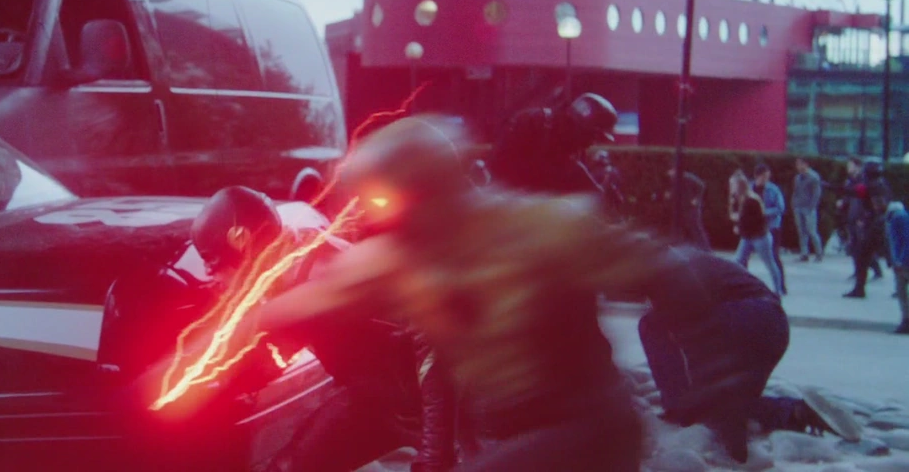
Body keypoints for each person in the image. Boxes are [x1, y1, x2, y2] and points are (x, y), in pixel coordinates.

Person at [255, 115, 709, 472]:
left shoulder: (540, 226)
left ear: (438, 190)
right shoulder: (398, 257)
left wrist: (710, 361)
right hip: (504, 426)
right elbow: (301, 304)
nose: (404, 229)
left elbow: (660, 267)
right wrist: (242, 317)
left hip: (585, 424)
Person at [188, 186, 457, 472]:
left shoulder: (324, 271)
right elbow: (274, 352)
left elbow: (432, 345)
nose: (213, 277)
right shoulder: (284, 274)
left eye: (214, 263)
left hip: (435, 406)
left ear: (241, 241)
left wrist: (435, 451)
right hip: (371, 400)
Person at [636, 246, 862, 462]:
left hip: (743, 320)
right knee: (735, 404)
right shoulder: (683, 258)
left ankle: (679, 405)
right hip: (774, 324)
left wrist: (690, 407)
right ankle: (798, 412)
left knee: (651, 326)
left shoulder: (669, 278)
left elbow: (700, 341)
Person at [487, 92, 618, 195]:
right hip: (511, 206)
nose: (592, 142)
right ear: (581, 128)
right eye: (593, 135)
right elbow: (498, 170)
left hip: (545, 212)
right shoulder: (532, 124)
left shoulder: (573, 147)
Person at [730, 170, 785, 296]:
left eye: (733, 185)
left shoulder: (751, 199)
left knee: (769, 263)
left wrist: (739, 221)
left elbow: (756, 219)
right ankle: (742, 287)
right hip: (748, 236)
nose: (731, 188)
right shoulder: (741, 198)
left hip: (760, 236)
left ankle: (778, 290)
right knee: (738, 261)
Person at [846, 159, 890, 298]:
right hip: (878, 225)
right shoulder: (881, 184)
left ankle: (860, 288)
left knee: (863, 256)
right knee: (864, 256)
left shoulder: (871, 186)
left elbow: (854, 192)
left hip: (874, 226)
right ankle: (859, 288)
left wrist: (830, 186)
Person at [753, 164, 789, 295]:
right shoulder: (750, 188)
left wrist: (764, 212)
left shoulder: (773, 189)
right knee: (742, 256)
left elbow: (780, 208)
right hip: (754, 227)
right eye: (763, 177)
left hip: (772, 226)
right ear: (757, 176)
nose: (766, 179)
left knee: (774, 255)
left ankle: (781, 286)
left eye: (767, 177)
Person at [665, 166, 712, 250]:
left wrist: (696, 198)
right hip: (683, 207)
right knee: (684, 226)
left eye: (671, 172)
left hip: (692, 206)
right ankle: (683, 245)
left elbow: (701, 185)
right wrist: (670, 194)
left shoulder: (686, 177)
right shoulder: (674, 180)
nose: (670, 175)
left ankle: (705, 248)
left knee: (695, 226)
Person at [792, 158, 824, 262]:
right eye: (797, 165)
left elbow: (816, 194)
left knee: (812, 231)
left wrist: (812, 207)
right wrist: (794, 204)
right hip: (798, 207)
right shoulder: (797, 178)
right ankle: (804, 253)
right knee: (802, 232)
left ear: (806, 164)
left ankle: (819, 253)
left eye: (800, 164)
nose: (798, 167)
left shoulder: (813, 177)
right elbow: (795, 192)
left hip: (808, 208)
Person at [886, 201, 909, 335]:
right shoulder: (904, 216)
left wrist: (899, 260)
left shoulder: (896, 219)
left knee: (902, 292)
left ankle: (906, 321)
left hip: (903, 263)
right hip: (903, 261)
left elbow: (903, 240)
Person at [590, 150, 627, 220]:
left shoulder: (608, 171)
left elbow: (618, 183)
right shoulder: (608, 170)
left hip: (607, 196)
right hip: (604, 196)